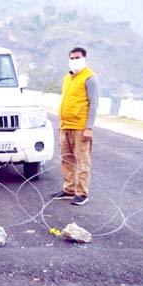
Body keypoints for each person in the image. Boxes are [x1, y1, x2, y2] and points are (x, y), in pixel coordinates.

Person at [51, 47, 99, 206]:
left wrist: (89, 128)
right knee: (66, 159)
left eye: (77, 58)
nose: (74, 60)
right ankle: (69, 189)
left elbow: (93, 104)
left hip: (80, 127)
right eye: (71, 58)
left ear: (84, 59)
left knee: (82, 160)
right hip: (66, 125)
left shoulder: (90, 78)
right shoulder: (68, 77)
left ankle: (82, 192)